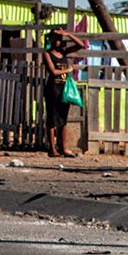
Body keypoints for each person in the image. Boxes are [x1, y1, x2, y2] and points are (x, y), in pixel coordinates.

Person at [42, 26, 86, 157]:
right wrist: (67, 70)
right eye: (55, 38)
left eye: (60, 39)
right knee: (52, 120)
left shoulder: (64, 52)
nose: (57, 41)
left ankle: (64, 147)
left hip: (64, 89)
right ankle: (52, 148)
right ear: (51, 39)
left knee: (63, 120)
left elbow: (81, 45)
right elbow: (53, 71)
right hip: (53, 89)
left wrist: (68, 34)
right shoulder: (47, 54)